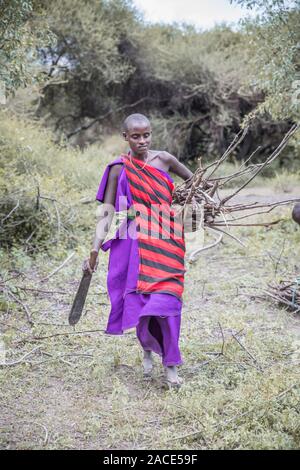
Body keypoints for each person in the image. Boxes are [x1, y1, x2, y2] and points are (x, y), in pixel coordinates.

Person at [82, 113, 194, 387]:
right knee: (141, 302)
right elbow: (107, 213)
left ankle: (170, 367)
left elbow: (194, 183)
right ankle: (147, 349)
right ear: (125, 137)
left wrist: (188, 210)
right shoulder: (119, 169)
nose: (142, 141)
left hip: (167, 240)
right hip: (133, 243)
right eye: (136, 136)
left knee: (168, 302)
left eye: (146, 135)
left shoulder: (165, 160)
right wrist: (94, 249)